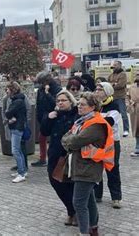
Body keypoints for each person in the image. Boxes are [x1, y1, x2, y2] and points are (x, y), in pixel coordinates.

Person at [61, 92, 115, 235]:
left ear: (92, 107)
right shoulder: (83, 121)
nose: (79, 106)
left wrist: (70, 141)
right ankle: (93, 228)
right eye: (78, 103)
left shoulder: (95, 125)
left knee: (79, 203)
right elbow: (66, 137)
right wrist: (69, 140)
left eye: (83, 104)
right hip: (83, 168)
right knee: (89, 200)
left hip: (87, 169)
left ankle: (84, 232)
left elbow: (74, 141)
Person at [41, 90, 78, 226]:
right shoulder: (55, 115)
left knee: (70, 184)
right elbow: (44, 132)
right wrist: (48, 118)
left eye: (63, 100)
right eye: (58, 101)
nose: (60, 103)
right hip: (55, 154)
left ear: (70, 101)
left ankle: (73, 213)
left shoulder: (76, 114)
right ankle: (72, 210)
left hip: (69, 155)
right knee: (55, 181)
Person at [94, 82, 122, 208]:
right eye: (96, 89)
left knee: (112, 169)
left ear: (107, 91)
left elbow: (108, 123)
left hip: (111, 142)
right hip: (98, 142)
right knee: (96, 168)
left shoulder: (114, 105)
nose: (97, 91)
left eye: (100, 89)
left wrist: (93, 121)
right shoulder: (95, 106)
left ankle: (116, 197)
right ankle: (97, 194)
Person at [33, 72, 62, 167]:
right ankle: (42, 159)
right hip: (43, 117)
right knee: (41, 137)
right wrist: (39, 117)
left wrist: (47, 93)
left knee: (54, 139)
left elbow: (57, 104)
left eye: (42, 82)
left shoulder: (57, 89)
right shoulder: (40, 89)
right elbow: (39, 103)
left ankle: (55, 158)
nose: (41, 84)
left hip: (54, 117)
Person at [4, 82, 28, 183]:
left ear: (13, 90)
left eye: (8, 89)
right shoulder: (18, 100)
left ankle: (21, 173)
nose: (6, 91)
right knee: (19, 150)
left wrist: (10, 116)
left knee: (15, 151)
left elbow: (8, 112)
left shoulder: (17, 101)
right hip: (17, 126)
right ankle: (21, 170)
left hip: (17, 128)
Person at [108, 60, 129, 137]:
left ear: (120, 65)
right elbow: (107, 84)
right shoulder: (111, 75)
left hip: (120, 97)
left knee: (123, 114)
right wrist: (114, 84)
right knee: (111, 115)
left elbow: (121, 85)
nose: (114, 66)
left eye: (116, 65)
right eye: (113, 65)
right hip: (112, 98)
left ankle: (126, 130)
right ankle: (111, 130)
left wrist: (112, 84)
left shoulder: (123, 74)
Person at [128, 77, 139, 158]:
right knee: (136, 128)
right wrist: (129, 104)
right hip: (134, 110)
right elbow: (127, 97)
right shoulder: (132, 87)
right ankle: (137, 147)